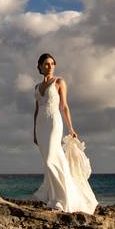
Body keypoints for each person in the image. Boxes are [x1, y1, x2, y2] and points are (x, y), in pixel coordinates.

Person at [31, 53, 98, 214]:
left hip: (54, 122)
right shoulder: (36, 87)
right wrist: (34, 131)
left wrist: (71, 128)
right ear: (40, 66)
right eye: (46, 64)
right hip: (41, 125)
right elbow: (36, 109)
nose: (50, 66)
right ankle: (55, 199)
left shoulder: (59, 82)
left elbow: (64, 106)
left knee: (51, 160)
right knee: (50, 162)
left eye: (52, 63)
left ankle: (64, 200)